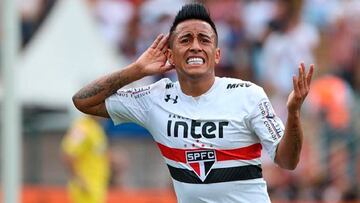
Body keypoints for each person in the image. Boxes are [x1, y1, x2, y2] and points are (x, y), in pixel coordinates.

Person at [72, 3, 314, 203]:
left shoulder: (249, 95)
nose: (195, 46)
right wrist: (136, 70)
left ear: (217, 54)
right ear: (171, 54)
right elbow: (83, 101)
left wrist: (293, 114)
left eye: (204, 40)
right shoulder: (154, 98)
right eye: (186, 39)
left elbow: (288, 161)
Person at [61, 115, 110, 203]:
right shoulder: (82, 128)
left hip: (96, 187)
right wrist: (79, 180)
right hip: (85, 189)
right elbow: (68, 155)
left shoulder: (96, 128)